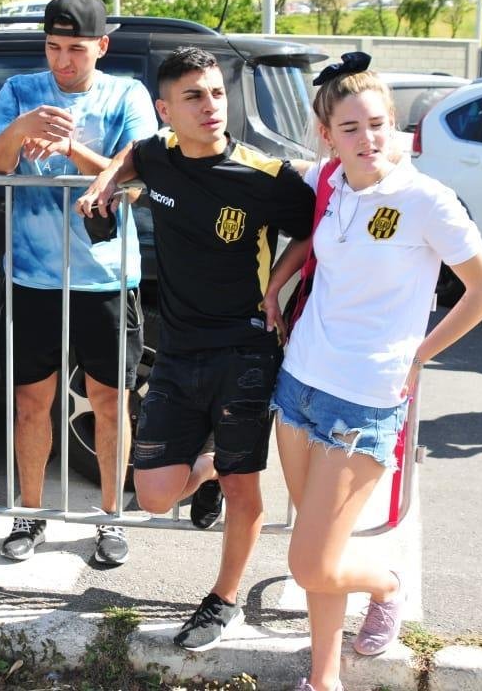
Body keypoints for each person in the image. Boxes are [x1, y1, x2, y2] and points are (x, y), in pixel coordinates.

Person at [261, 53, 482, 691]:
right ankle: (323, 678)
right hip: (299, 386)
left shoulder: (426, 199)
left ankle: (387, 584)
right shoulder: (333, 184)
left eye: (377, 124)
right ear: (327, 136)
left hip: (364, 400)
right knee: (321, 553)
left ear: (394, 123)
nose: (367, 140)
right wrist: (277, 286)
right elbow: (317, 238)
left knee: (310, 562)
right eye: (350, 128)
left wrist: (420, 355)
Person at [76, 46, 315, 650]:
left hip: (247, 348)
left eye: (215, 93)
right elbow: (135, 154)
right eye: (193, 96)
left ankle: (222, 600)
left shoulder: (264, 176)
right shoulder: (158, 154)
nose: (210, 106)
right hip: (178, 351)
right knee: (154, 497)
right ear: (165, 110)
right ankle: (204, 467)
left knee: (243, 484)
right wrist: (105, 182)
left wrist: (277, 287)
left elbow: (317, 224)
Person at [0, 0, 158, 566]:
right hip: (33, 276)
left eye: (76, 50)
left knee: (112, 401)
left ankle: (110, 517)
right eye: (54, 48)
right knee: (32, 402)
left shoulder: (126, 93)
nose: (63, 61)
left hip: (106, 276)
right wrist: (24, 128)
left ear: (101, 47)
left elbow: (136, 166)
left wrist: (72, 147)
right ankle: (29, 513)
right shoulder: (19, 91)